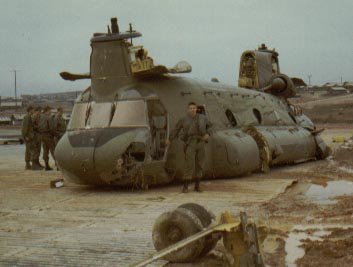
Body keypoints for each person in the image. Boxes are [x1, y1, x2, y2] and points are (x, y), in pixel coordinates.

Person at [165, 102, 211, 193]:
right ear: (188, 109)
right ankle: (185, 186)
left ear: (196, 109)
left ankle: (197, 185)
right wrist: (170, 139)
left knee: (200, 164)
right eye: (190, 108)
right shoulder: (183, 119)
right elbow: (176, 129)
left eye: (194, 108)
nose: (192, 109)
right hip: (190, 143)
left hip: (200, 142)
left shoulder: (203, 118)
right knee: (189, 164)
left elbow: (210, 126)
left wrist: (207, 134)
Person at [39, 106, 55, 171]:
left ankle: (46, 165)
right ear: (47, 111)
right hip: (48, 135)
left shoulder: (41, 117)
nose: (50, 112)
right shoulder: (49, 117)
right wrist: (53, 134)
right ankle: (58, 165)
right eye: (50, 111)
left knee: (45, 151)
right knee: (53, 150)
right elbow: (51, 128)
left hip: (42, 135)